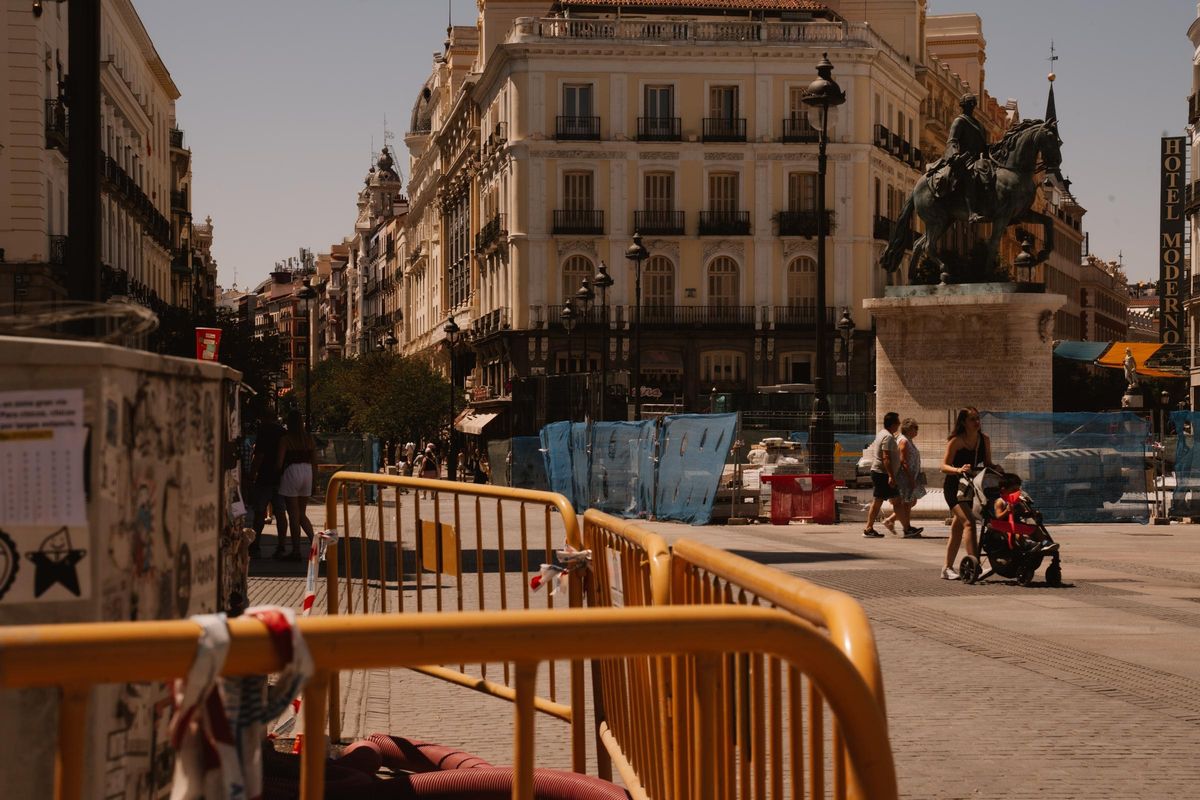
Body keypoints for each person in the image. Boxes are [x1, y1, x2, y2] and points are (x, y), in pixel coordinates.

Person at [940, 407, 1002, 580]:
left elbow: (988, 463)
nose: (977, 422)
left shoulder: (984, 440)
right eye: (972, 419)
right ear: (963, 422)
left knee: (957, 527)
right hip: (954, 487)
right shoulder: (956, 441)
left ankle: (946, 568)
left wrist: (996, 468)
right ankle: (974, 564)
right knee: (969, 522)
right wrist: (959, 469)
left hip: (972, 487)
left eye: (977, 418)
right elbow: (943, 466)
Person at [928, 92, 991, 223]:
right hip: (963, 159)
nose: (971, 106)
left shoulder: (980, 126)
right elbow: (952, 141)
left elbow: (984, 146)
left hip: (978, 160)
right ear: (963, 106)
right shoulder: (960, 121)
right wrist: (955, 155)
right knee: (970, 176)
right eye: (968, 104)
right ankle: (971, 212)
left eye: (972, 104)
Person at [275, 410, 318, 560]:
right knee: (302, 513)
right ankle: (316, 543)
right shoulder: (309, 439)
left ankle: (296, 550)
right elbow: (315, 462)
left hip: (291, 472)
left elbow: (279, 463)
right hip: (307, 472)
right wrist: (315, 481)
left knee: (293, 514)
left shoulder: (286, 440)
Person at [248, 410, 288, 558]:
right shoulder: (283, 432)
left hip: (264, 476)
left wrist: (252, 474)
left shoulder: (264, 431)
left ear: (264, 418)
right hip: (280, 477)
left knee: (259, 512)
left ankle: (255, 544)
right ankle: (282, 546)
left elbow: (259, 455)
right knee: (280, 512)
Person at [990, 473, 1056, 552]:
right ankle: (1027, 544)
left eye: (1018, 490)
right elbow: (998, 517)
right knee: (1018, 533)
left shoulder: (1017, 501)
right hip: (1005, 525)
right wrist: (1007, 511)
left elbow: (1023, 512)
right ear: (1003, 490)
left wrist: (1032, 513)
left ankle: (1045, 543)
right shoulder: (1000, 502)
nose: (1017, 492)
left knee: (1035, 529)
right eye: (1014, 490)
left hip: (1017, 523)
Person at [882, 418, 925, 538]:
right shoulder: (904, 441)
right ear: (908, 429)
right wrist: (910, 478)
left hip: (910, 476)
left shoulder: (908, 440)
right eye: (915, 428)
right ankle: (907, 528)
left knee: (911, 501)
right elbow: (903, 461)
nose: (917, 430)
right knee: (906, 502)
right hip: (905, 478)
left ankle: (891, 520)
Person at [863, 412, 902, 538]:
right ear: (893, 424)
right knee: (881, 501)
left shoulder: (882, 433)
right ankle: (870, 528)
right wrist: (891, 475)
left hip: (881, 473)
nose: (899, 425)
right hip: (883, 474)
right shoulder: (888, 437)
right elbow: (886, 457)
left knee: (893, 500)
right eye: (898, 422)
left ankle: (893, 524)